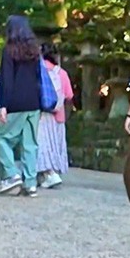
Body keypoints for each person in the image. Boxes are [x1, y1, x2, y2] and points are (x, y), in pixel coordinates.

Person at [0, 15, 44, 197]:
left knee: (0, 138)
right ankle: (30, 184)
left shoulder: (9, 50)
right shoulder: (35, 50)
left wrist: (3, 105)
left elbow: (6, 79)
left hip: (16, 101)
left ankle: (12, 174)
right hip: (35, 102)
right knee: (30, 144)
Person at [36, 42, 74, 189]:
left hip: (41, 113)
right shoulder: (62, 73)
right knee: (55, 144)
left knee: (42, 144)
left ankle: (49, 174)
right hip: (58, 114)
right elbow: (69, 95)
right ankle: (50, 173)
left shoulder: (38, 70)